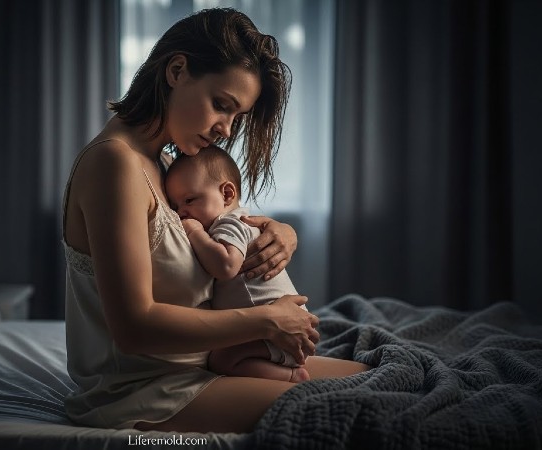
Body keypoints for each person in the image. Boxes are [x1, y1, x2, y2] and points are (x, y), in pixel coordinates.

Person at [62, 8, 369, 433]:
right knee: (360, 410)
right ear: (177, 71)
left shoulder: (164, 163)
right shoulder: (114, 164)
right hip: (147, 390)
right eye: (221, 106)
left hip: (208, 365)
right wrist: (269, 320)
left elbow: (212, 225)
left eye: (237, 116)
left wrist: (281, 232)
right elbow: (134, 328)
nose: (226, 129)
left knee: (382, 379)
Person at [165, 145, 312, 383]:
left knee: (221, 360)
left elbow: (226, 266)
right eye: (176, 206)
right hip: (275, 328)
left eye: (189, 200)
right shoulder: (225, 225)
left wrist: (194, 233)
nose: (181, 212)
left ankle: (292, 376)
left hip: (281, 331)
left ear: (227, 194)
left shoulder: (230, 224)